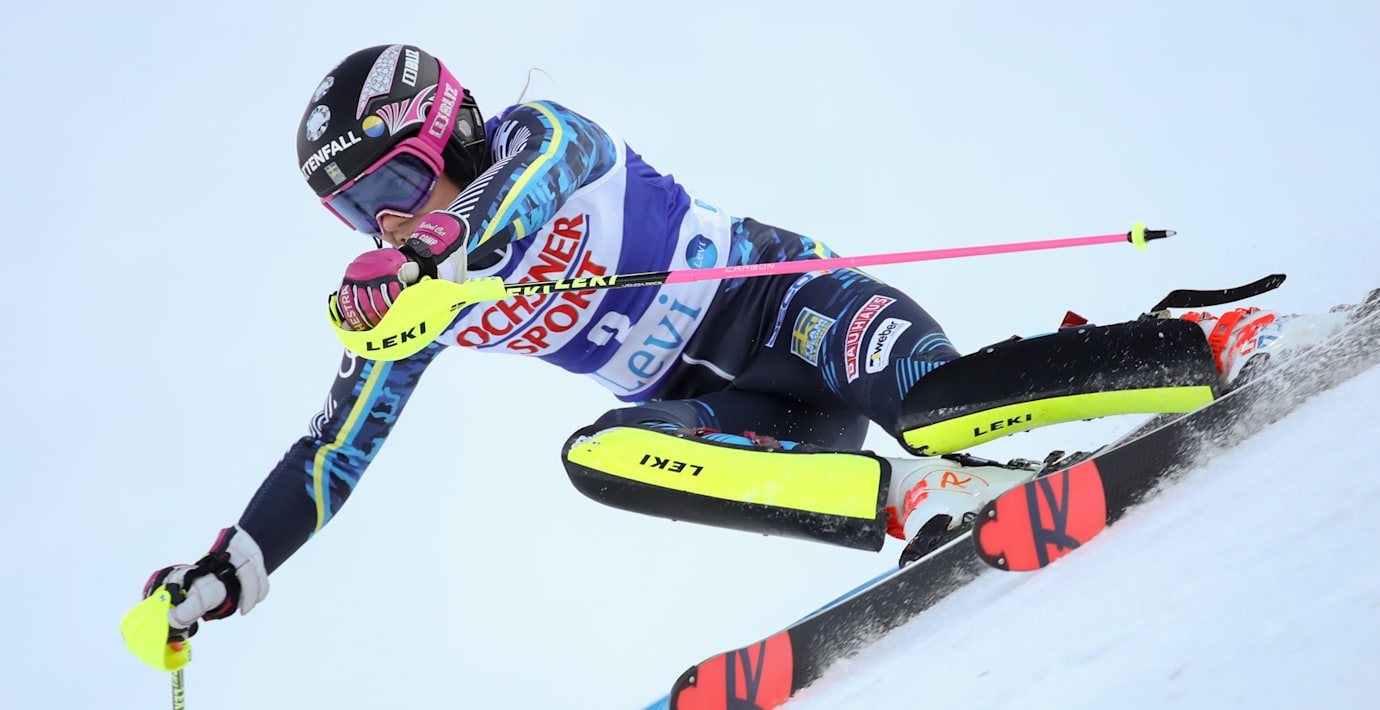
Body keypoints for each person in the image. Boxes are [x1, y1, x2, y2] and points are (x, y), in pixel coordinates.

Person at [142, 44, 1286, 633]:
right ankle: (925, 497)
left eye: (391, 183)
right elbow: (333, 449)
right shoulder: (420, 296)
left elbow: (529, 187)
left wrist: (429, 249)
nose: (384, 223)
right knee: (599, 453)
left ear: (450, 132)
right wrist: (232, 566)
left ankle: (1192, 339)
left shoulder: (538, 137)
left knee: (940, 402)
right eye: (355, 212)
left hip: (795, 311)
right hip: (746, 411)